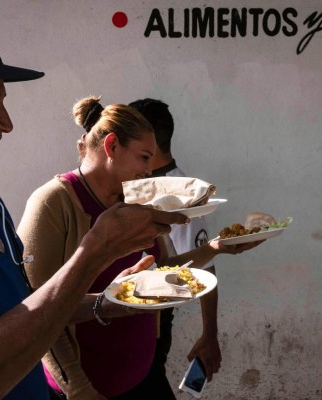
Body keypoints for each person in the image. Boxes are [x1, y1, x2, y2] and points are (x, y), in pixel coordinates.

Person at [0, 10, 187, 400]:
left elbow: (27, 310)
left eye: (3, 102)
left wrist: (111, 301)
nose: (6, 122)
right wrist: (93, 253)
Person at [17, 96, 260, 399]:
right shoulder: (54, 203)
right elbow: (38, 315)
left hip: (143, 379)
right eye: (144, 157)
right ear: (112, 147)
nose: (148, 170)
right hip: (88, 388)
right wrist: (80, 389)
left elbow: (166, 272)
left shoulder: (135, 201)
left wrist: (216, 248)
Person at [128, 99, 221, 385]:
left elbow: (204, 267)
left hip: (151, 321)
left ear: (149, 140)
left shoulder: (180, 195)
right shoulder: (132, 185)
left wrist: (209, 334)